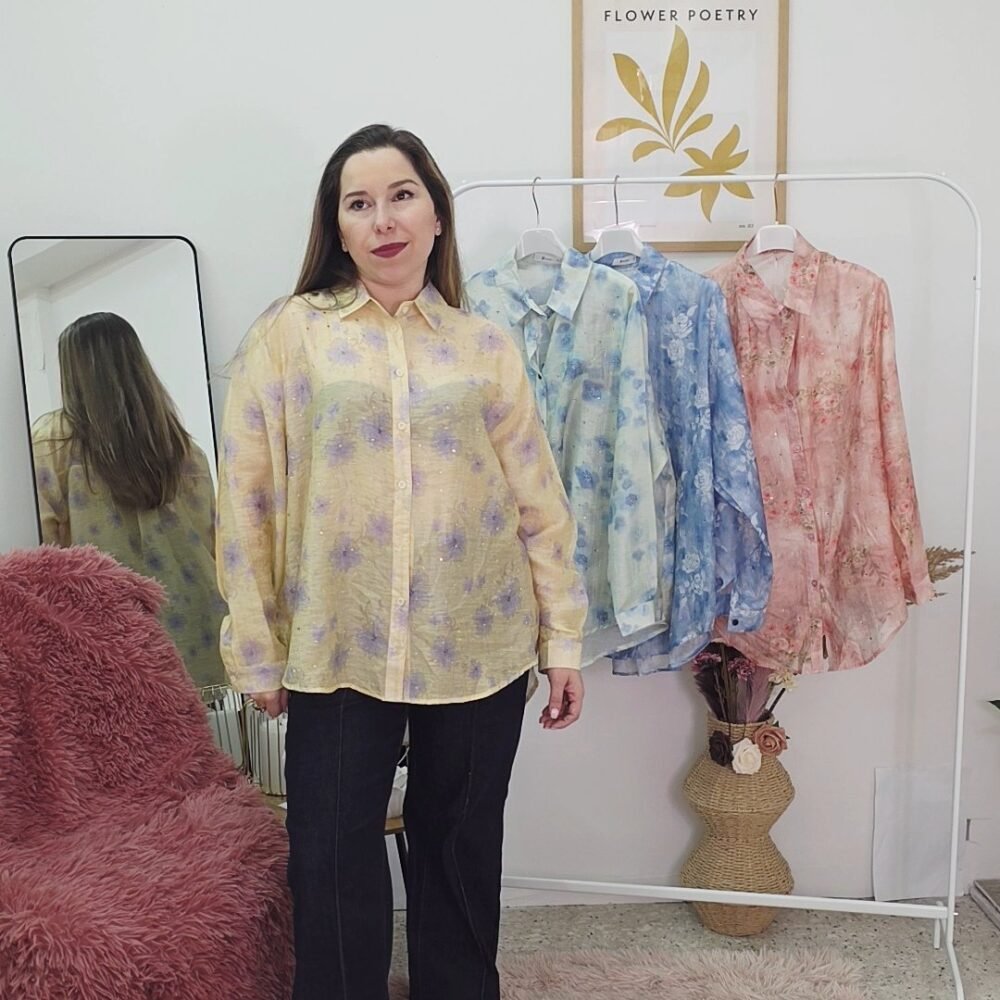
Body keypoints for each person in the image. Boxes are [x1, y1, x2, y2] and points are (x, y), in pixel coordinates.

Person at [216, 124, 588, 1000]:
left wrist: (563, 640)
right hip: (338, 639)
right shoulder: (290, 336)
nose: (383, 219)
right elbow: (245, 497)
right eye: (359, 203)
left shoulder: (484, 346)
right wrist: (257, 648)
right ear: (338, 230)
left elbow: (538, 501)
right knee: (330, 849)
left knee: (460, 844)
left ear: (436, 215)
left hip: (479, 637)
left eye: (401, 195)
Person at [31, 312, 226, 692]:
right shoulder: (181, 446)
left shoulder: (52, 440)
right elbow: (215, 541)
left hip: (109, 630)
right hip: (198, 624)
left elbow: (41, 545)